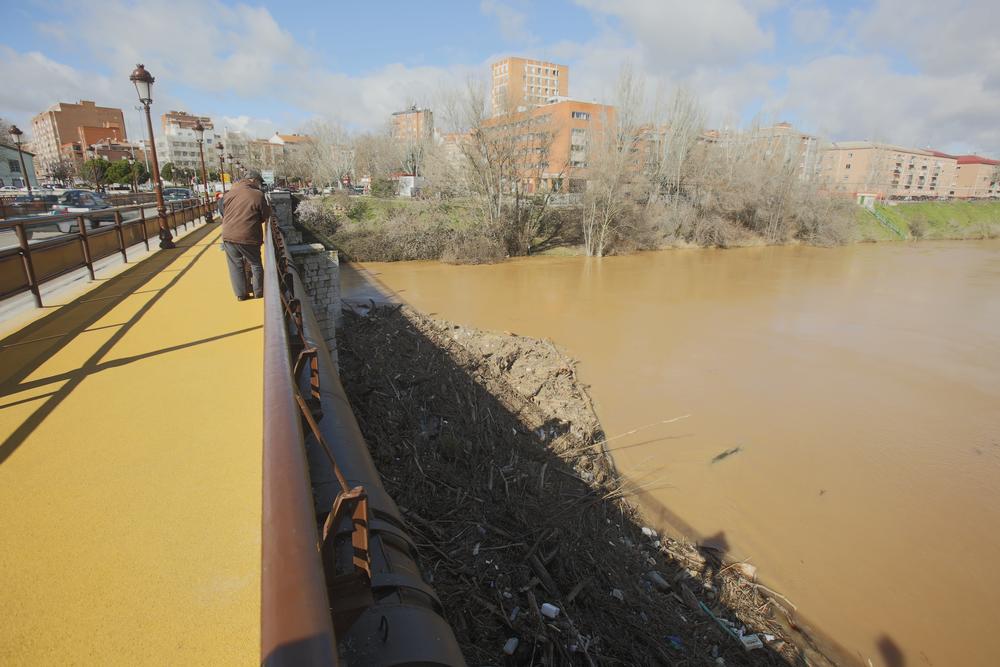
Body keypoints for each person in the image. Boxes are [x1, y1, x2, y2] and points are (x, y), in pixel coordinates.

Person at [220, 170, 271, 301]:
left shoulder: (229, 193)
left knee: (235, 265)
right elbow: (265, 215)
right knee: (255, 263)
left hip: (228, 234)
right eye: (260, 182)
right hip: (248, 235)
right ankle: (258, 292)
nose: (260, 185)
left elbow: (222, 211)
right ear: (254, 180)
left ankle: (241, 295)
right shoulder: (257, 195)